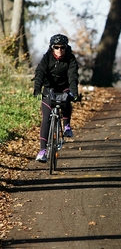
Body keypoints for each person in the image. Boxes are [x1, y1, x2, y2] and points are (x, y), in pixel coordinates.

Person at [33, 34, 79, 162]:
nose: (60, 50)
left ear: (66, 47)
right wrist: (37, 90)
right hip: (49, 88)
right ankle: (43, 151)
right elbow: (40, 73)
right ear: (52, 47)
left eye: (62, 47)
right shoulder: (47, 57)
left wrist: (74, 93)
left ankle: (67, 126)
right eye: (56, 47)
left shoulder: (70, 58)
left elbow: (73, 76)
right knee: (46, 118)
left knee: (66, 99)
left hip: (64, 87)